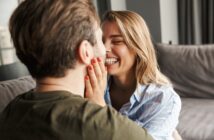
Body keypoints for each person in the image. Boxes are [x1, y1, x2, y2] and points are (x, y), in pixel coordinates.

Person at [0, 1, 153, 140]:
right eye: (100, 39)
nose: (105, 49)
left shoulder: (10, 112)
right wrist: (100, 112)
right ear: (86, 52)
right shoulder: (110, 128)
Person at [85, 10, 181, 140]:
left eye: (117, 41)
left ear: (137, 47)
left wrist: (100, 109)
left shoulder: (163, 98)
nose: (105, 49)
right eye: (102, 41)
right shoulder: (92, 88)